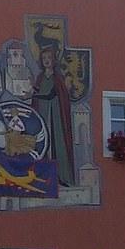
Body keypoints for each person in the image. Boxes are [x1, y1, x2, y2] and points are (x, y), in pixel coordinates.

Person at [31, 43, 76, 186]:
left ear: (53, 60)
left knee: (57, 143)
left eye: (49, 57)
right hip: (42, 114)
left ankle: (61, 176)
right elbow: (36, 94)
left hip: (56, 116)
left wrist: (35, 96)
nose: (46, 60)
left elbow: (51, 95)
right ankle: (43, 175)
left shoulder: (58, 78)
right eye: (44, 58)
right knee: (43, 143)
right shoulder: (40, 77)